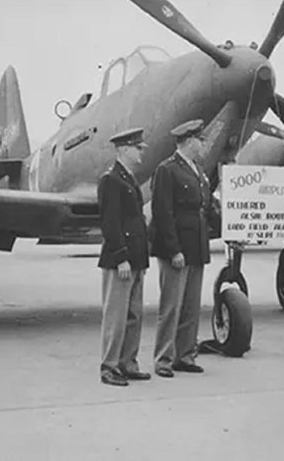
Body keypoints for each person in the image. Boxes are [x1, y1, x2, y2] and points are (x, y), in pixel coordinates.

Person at [151, 119, 218, 378]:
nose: (203, 145)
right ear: (188, 141)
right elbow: (163, 213)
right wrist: (173, 250)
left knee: (191, 306)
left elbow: (208, 208)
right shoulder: (167, 170)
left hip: (196, 247)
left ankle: (185, 355)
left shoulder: (198, 171)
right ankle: (164, 359)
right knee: (171, 307)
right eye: (200, 140)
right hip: (176, 250)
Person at [97, 127, 151, 386]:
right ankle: (109, 367)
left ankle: (128, 363)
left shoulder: (128, 178)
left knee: (133, 315)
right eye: (137, 148)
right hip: (122, 261)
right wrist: (120, 258)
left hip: (136, 259)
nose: (142, 152)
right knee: (116, 317)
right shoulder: (111, 180)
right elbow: (110, 223)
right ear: (123, 150)